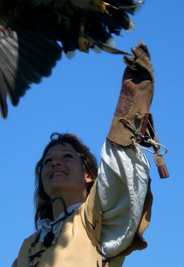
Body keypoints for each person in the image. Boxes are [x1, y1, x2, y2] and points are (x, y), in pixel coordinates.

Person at [12, 42, 158, 267]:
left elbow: (117, 178)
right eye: (48, 161)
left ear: (89, 174)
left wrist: (128, 113)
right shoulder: (27, 246)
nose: (55, 163)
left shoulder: (98, 219)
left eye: (66, 157)